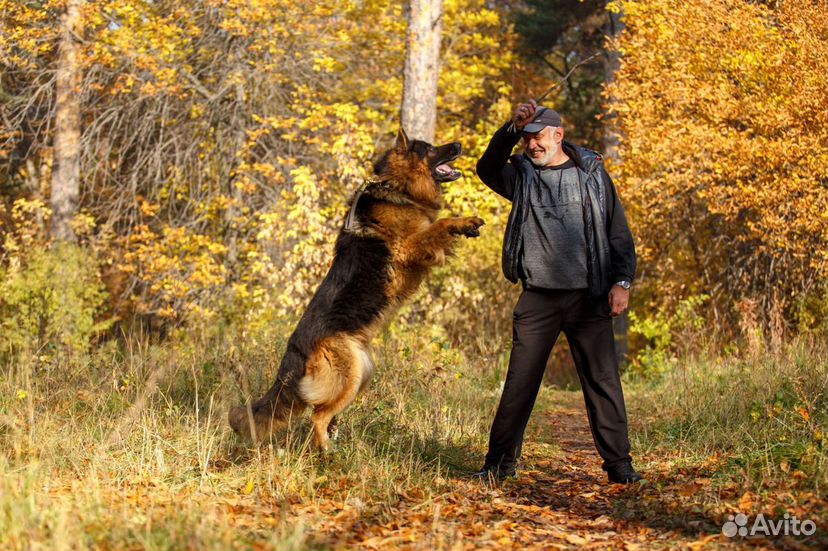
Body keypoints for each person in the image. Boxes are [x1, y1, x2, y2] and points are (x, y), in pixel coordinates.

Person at [473, 100, 642, 484]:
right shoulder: (521, 176)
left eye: (538, 137)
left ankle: (620, 466)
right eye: (527, 139)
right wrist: (511, 129)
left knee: (603, 383)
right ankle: (498, 465)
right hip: (538, 298)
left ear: (558, 135)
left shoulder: (593, 175)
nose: (532, 146)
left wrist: (622, 282)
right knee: (520, 383)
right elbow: (485, 168)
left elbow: (618, 231)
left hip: (589, 295)